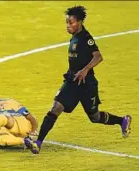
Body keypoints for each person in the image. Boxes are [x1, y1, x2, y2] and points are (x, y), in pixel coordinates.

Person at [24, 5, 132, 154]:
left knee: (94, 117)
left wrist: (85, 70)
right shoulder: (74, 37)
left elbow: (98, 56)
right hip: (72, 82)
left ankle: (122, 121)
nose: (68, 26)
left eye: (71, 22)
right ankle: (38, 142)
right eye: (66, 23)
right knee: (55, 108)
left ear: (80, 22)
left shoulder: (86, 39)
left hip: (87, 84)